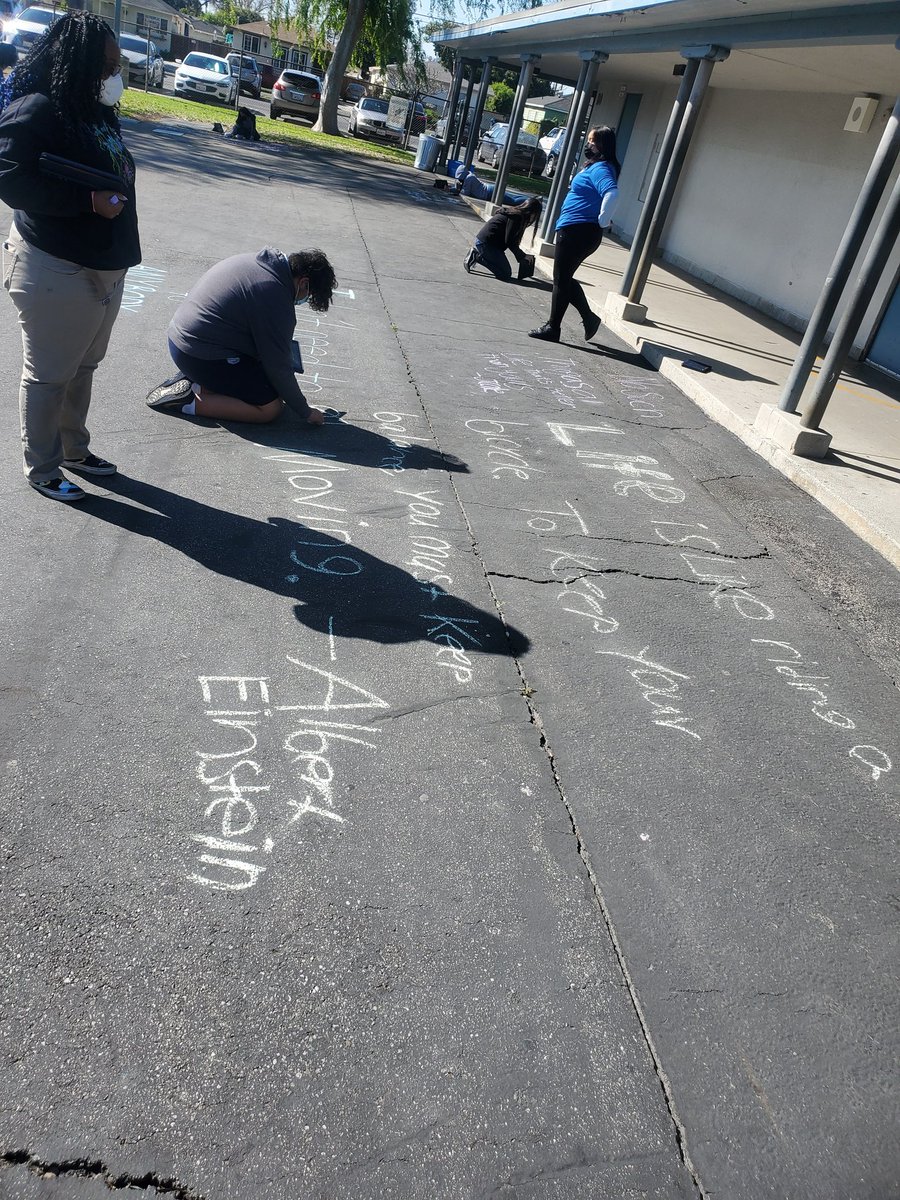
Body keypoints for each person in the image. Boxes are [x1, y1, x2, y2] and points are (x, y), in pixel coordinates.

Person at [0, 12, 139, 502]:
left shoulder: (93, 109)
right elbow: (10, 179)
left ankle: (74, 451)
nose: (114, 75)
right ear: (77, 62)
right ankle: (43, 468)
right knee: (49, 375)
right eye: (106, 65)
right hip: (55, 266)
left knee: (83, 368)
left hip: (103, 267)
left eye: (117, 64)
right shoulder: (38, 109)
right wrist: (87, 203)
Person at [146, 247, 335, 426]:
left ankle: (197, 383)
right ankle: (189, 401)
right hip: (197, 354)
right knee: (271, 407)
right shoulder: (274, 295)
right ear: (304, 282)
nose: (304, 300)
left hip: (182, 340)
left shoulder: (263, 264)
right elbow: (278, 367)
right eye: (309, 295)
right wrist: (306, 412)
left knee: (268, 383)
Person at [529, 125, 619, 343]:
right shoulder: (596, 166)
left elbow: (612, 193)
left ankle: (553, 328)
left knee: (561, 280)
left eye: (592, 141)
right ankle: (588, 318)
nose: (588, 145)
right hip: (577, 230)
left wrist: (603, 220)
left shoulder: (602, 169)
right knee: (564, 277)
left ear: (603, 145)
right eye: (588, 140)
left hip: (578, 231)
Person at [463, 197, 542, 283]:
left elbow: (512, 240)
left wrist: (522, 257)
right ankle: (477, 257)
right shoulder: (516, 217)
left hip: (488, 243)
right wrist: (523, 256)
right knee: (505, 274)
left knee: (504, 271)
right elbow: (510, 241)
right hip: (485, 244)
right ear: (532, 213)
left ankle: (479, 255)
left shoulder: (515, 213)